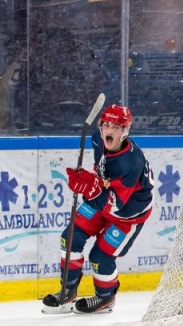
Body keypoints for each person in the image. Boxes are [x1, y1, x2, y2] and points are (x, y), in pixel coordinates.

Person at [42, 105, 154, 314]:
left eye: (117, 127)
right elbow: (102, 177)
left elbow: (117, 204)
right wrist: (88, 181)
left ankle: (105, 298)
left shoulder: (129, 162)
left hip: (128, 213)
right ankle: (68, 290)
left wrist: (91, 190)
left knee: (100, 257)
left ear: (125, 132)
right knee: (70, 237)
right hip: (104, 198)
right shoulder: (96, 138)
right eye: (106, 125)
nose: (109, 131)